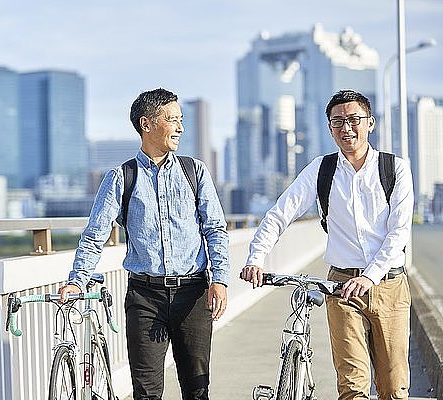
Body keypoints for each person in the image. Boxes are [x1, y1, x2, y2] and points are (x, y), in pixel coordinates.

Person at [240, 89, 413, 400]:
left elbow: (399, 232)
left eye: (354, 120)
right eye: (337, 122)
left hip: (389, 286)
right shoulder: (322, 169)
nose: (346, 128)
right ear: (329, 128)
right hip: (342, 286)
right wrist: (256, 256)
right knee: (352, 386)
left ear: (370, 123)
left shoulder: (394, 168)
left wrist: (369, 276)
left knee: (393, 387)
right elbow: (282, 212)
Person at [59, 88, 230, 400]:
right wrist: (77, 281)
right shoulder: (121, 177)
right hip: (144, 297)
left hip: (193, 294)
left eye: (181, 120)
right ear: (147, 124)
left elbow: (215, 229)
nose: (180, 127)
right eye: (172, 120)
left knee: (197, 390)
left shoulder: (195, 171)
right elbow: (95, 234)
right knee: (147, 393)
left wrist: (220, 279)